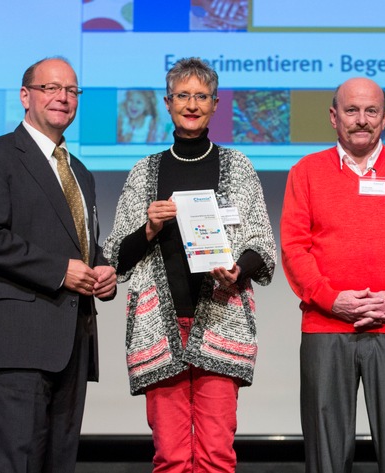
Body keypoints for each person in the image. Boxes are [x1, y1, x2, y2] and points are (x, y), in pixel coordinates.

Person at [103, 57, 276, 473]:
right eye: (183, 95)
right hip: (158, 330)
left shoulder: (238, 166)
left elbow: (262, 245)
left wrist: (239, 270)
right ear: (167, 103)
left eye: (201, 96)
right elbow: (116, 258)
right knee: (171, 457)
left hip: (221, 322)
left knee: (217, 456)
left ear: (215, 104)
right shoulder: (145, 172)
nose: (192, 104)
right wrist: (149, 227)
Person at [0, 57, 117, 473]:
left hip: (73, 342)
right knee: (11, 463)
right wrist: (60, 270)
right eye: (51, 88)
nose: (63, 97)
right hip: (17, 342)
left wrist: (102, 269)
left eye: (71, 90)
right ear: (25, 96)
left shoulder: (79, 171)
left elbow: (82, 243)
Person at [281, 77, 385, 473]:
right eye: (352, 110)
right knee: (326, 456)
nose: (361, 120)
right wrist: (331, 298)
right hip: (325, 325)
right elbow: (293, 248)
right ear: (334, 117)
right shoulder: (306, 171)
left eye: (372, 111)